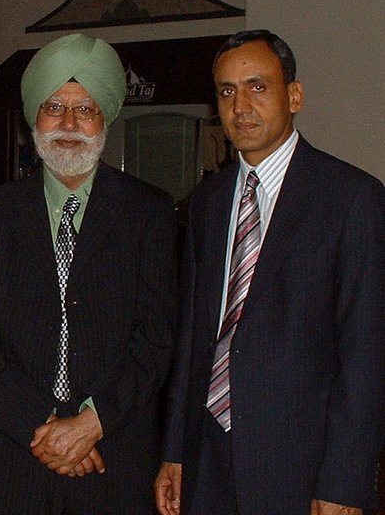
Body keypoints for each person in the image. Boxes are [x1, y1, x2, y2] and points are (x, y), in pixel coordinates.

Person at [155, 30, 384, 515]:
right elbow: (194, 338)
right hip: (207, 451)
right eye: (227, 91)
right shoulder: (207, 204)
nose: (241, 106)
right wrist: (175, 450)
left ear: (293, 96)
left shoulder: (351, 199)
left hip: (300, 463)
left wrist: (345, 479)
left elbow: (367, 354)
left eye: (258, 87)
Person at [0, 33, 178, 514]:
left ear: (105, 119)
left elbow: (157, 339)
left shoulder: (150, 214)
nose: (70, 124)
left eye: (86, 109)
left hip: (114, 456)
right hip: (12, 458)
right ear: (34, 117)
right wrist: (48, 427)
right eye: (54, 107)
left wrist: (91, 424)